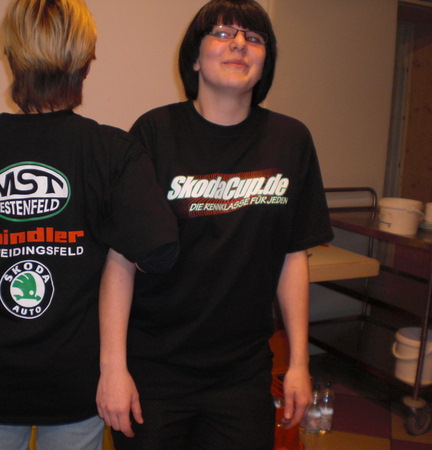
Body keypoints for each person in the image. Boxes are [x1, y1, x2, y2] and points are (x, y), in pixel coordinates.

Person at [0, 0, 178, 449]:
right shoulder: (112, 153)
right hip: (76, 382)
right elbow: (158, 251)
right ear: (86, 64)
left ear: (11, 58)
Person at [96, 0, 334, 448]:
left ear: (266, 63)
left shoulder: (291, 140)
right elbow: (120, 259)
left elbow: (293, 256)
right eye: (223, 33)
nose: (239, 44)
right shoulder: (153, 133)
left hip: (241, 375)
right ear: (194, 58)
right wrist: (113, 369)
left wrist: (299, 363)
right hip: (155, 372)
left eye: (254, 37)